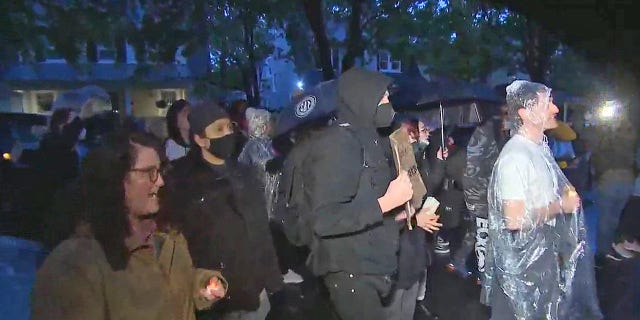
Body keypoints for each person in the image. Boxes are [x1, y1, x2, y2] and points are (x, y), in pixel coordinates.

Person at [31, 130, 227, 320]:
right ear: (114, 178)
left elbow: (170, 286)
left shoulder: (167, 238)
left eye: (160, 171)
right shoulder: (75, 264)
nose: (159, 181)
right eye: (148, 172)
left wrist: (201, 284)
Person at [483, 80, 601, 320]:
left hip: (540, 260)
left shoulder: (538, 149)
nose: (555, 109)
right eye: (547, 103)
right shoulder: (516, 156)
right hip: (520, 271)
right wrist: (560, 206)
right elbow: (514, 219)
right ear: (525, 113)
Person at [161, 102, 283, 320]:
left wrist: (274, 284)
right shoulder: (182, 182)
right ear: (200, 139)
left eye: (229, 127)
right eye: (219, 129)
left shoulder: (245, 175)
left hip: (255, 292)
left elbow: (261, 233)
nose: (227, 134)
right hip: (216, 298)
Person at [238, 107, 304, 284]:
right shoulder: (253, 146)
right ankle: (280, 272)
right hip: (262, 201)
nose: (271, 126)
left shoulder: (265, 143)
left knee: (277, 233)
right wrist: (288, 159)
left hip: (271, 200)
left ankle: (282, 269)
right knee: (273, 236)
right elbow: (267, 165)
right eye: (267, 123)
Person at [463, 104, 510, 285]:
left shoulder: (505, 134)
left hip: (496, 196)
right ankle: (482, 276)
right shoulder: (484, 132)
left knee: (486, 235)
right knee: (482, 235)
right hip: (481, 195)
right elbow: (472, 169)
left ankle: (466, 264)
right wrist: (475, 199)